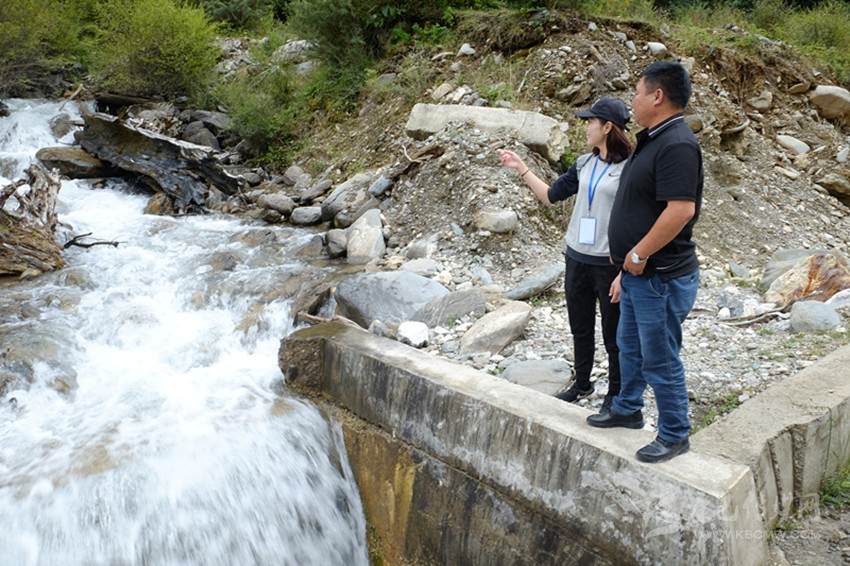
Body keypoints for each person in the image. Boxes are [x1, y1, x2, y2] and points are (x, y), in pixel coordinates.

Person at [586, 61, 703, 464]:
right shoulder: (654, 139)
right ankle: (628, 407)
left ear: (657, 96)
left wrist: (638, 254)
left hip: (660, 276)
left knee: (660, 355)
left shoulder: (678, 145)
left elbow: (680, 210)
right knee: (629, 344)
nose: (632, 99)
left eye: (637, 92)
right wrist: (625, 266)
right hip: (637, 274)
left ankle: (674, 433)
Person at [497, 97, 632, 414]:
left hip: (609, 262)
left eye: (590, 122)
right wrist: (522, 169)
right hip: (576, 257)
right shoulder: (585, 164)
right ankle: (582, 383)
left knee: (613, 335)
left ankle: (615, 394)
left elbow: (641, 218)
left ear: (608, 127)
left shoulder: (632, 167)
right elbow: (550, 196)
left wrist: (627, 269)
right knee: (580, 326)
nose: (585, 127)